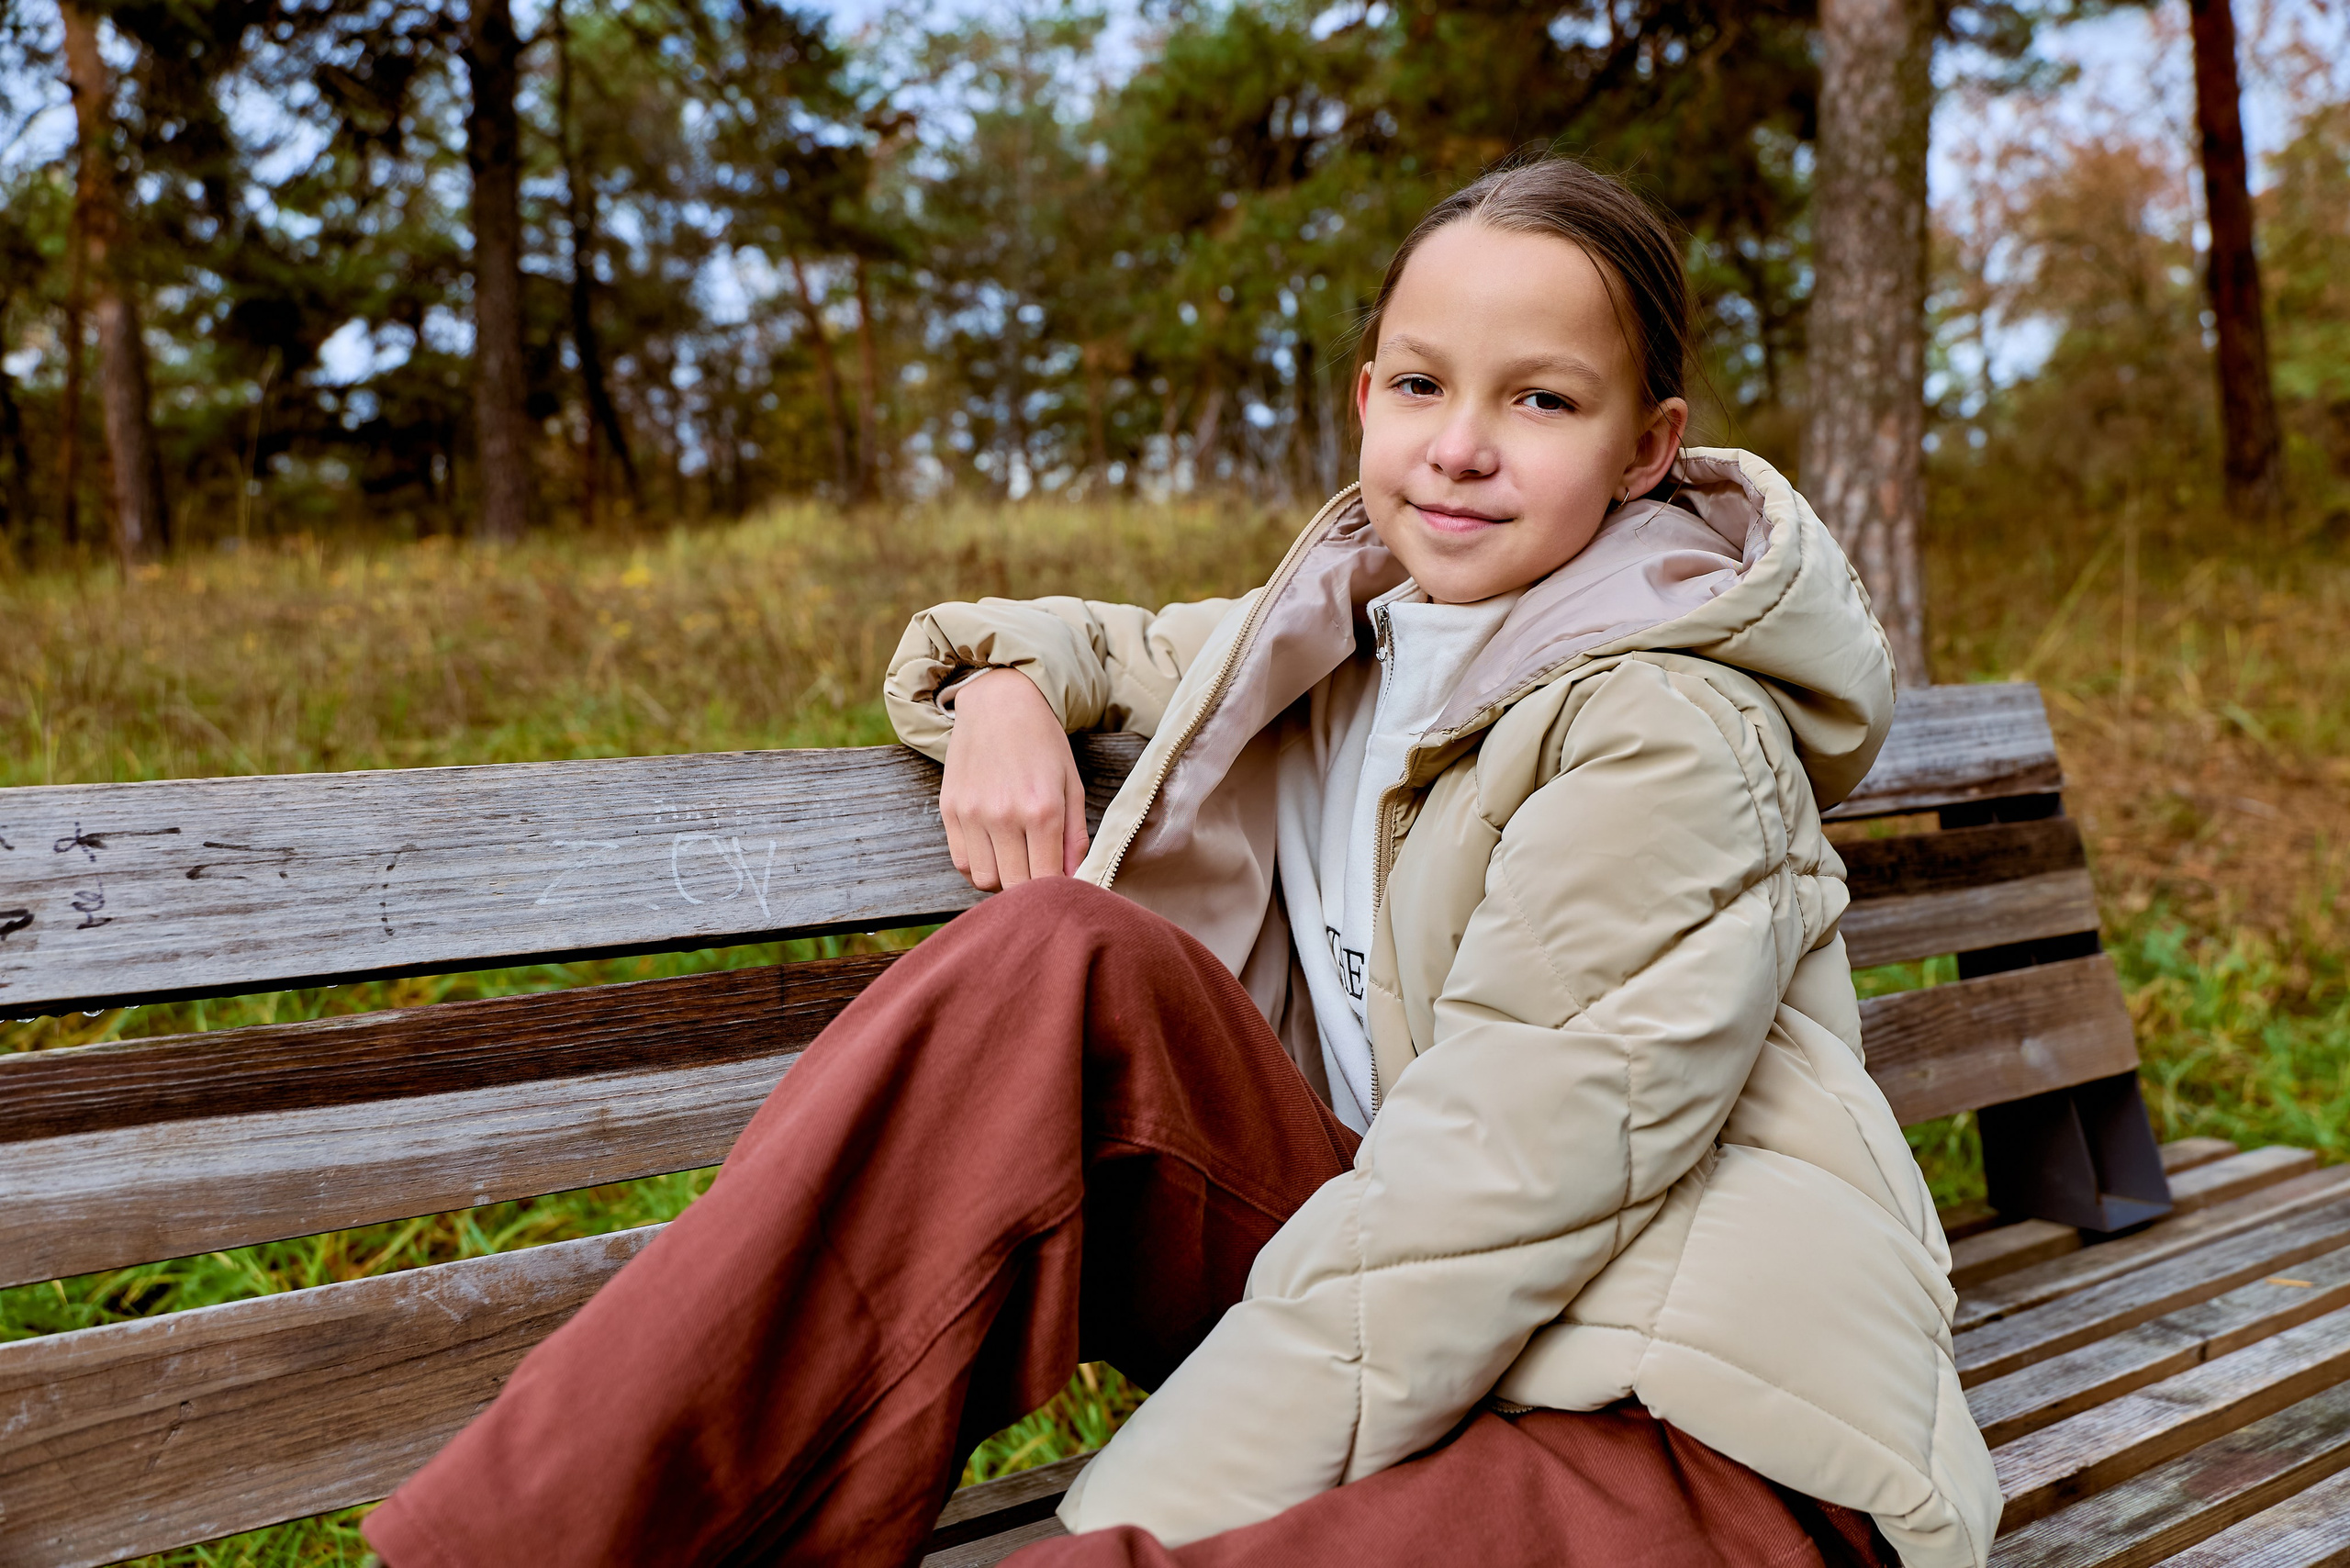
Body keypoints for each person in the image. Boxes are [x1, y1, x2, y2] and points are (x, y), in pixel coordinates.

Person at [362, 157, 1999, 1568]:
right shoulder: (1345, 641)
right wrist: (1005, 690)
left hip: (1694, 1430)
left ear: (1648, 450)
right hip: (1401, 1310)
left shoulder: (1665, 732)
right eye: (1423, 386)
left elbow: (1486, 1207)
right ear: (1365, 398)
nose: (1462, 448)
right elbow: (1091, 644)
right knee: (1056, 957)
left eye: (1542, 400)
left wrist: (1113, 1521)